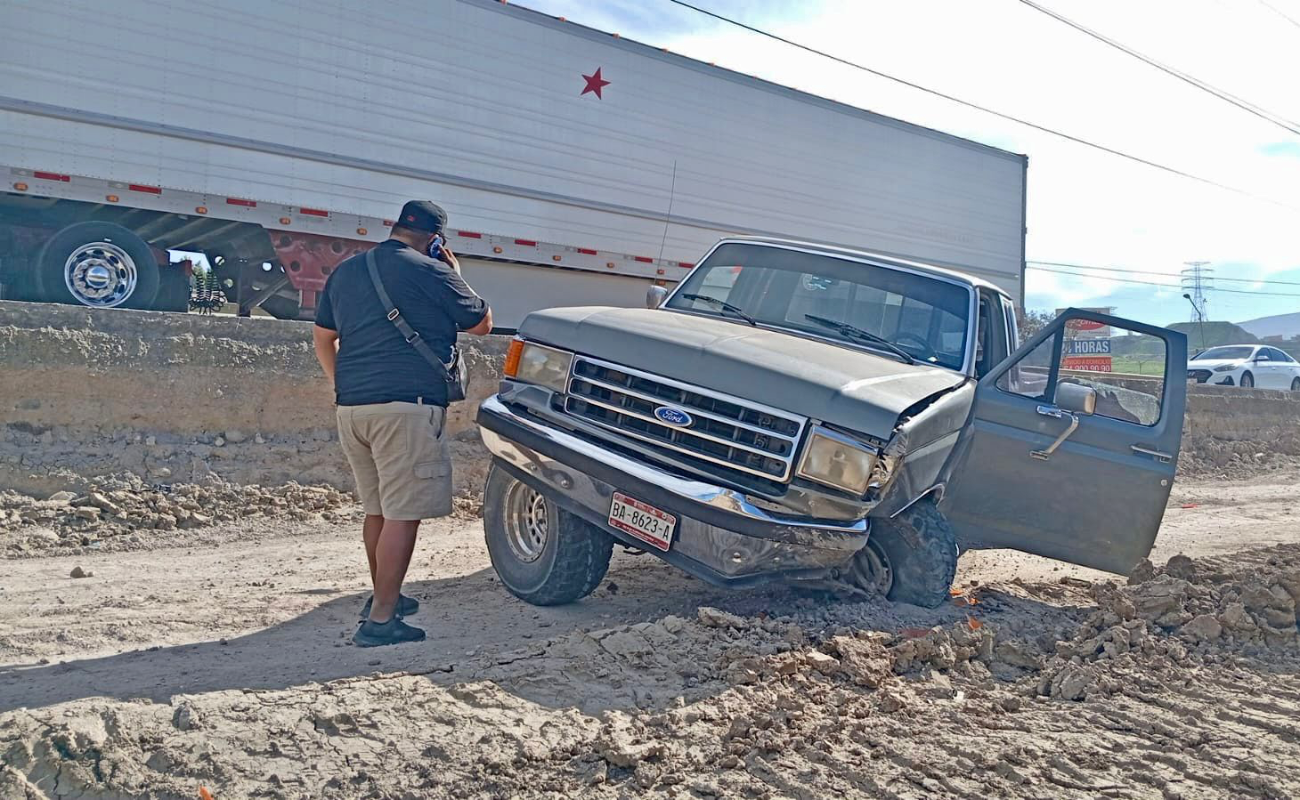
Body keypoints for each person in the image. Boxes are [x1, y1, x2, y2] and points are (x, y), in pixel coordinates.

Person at [313, 200, 492, 647]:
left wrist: (345, 385)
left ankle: (383, 594)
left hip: (352, 409)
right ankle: (381, 619)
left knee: (377, 510)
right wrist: (454, 270)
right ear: (435, 239)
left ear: (395, 227)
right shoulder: (433, 271)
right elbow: (483, 324)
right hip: (406, 409)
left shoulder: (349, 270)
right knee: (403, 515)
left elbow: (322, 337)